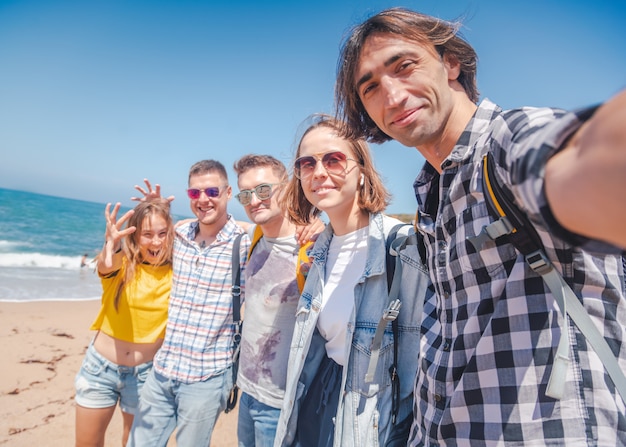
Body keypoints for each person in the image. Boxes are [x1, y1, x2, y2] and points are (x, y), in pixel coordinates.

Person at [334, 7, 626, 445]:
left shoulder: (508, 141)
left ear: (450, 62)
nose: (392, 96)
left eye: (405, 66)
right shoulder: (432, 196)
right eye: (371, 87)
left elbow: (584, 161)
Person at [274, 114, 433, 447]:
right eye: (307, 163)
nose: (319, 172)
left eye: (334, 159)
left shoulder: (400, 247)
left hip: (371, 421)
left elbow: (419, 367)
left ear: (361, 171)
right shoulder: (318, 251)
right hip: (318, 402)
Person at [127, 160, 249, 447]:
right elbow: (145, 241)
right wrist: (154, 211)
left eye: (212, 191)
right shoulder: (178, 235)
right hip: (162, 372)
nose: (203, 199)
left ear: (228, 192)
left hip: (206, 379)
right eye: (195, 193)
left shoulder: (246, 241)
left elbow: (279, 231)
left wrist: (314, 224)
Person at [74, 199, 174, 447]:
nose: (156, 241)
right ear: (135, 236)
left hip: (146, 375)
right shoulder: (122, 265)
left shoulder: (178, 273)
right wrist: (112, 243)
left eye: (163, 233)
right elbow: (107, 264)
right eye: (147, 234)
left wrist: (160, 208)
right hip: (100, 370)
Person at [232, 154, 316, 447]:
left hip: (281, 402)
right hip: (247, 391)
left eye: (264, 190)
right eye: (245, 194)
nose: (254, 200)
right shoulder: (256, 236)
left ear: (287, 187)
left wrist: (322, 227)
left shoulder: (310, 249)